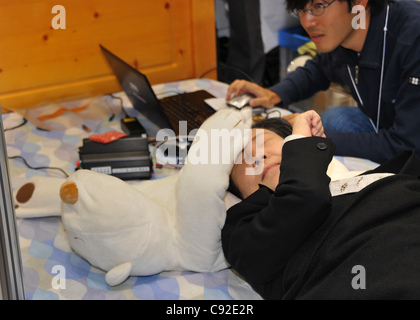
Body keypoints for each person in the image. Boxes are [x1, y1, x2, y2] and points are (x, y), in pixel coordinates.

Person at [222, 110, 420, 299]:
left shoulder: (377, 178)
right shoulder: (240, 229)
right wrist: (303, 142)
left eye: (264, 142)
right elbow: (305, 196)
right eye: (241, 160)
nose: (258, 156)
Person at [226, 0, 420, 164]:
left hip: (411, 146)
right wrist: (275, 93)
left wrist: (312, 138)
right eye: (301, 10)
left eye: (319, 5)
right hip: (393, 128)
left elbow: (407, 146)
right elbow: (320, 67)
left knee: (325, 129)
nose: (307, 22)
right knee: (337, 118)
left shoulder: (413, 36)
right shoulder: (351, 28)